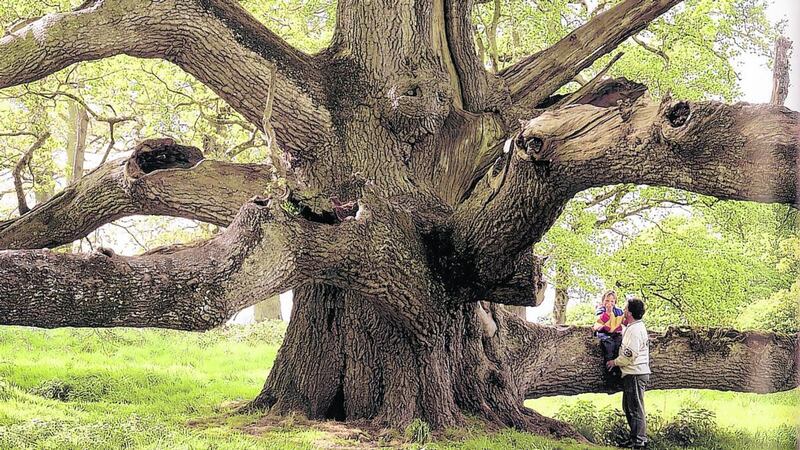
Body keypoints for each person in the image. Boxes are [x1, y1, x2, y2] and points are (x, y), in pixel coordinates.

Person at [606, 298, 650, 449]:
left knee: (635, 408)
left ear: (630, 312)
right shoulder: (633, 327)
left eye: (625, 309)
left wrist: (615, 362)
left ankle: (639, 441)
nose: (623, 311)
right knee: (629, 406)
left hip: (635, 373)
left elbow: (630, 354)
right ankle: (635, 439)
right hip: (633, 373)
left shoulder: (636, 330)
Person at [592, 290, 626, 368]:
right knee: (609, 345)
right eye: (607, 300)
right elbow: (600, 322)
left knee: (619, 344)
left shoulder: (619, 311)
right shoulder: (601, 310)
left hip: (615, 333)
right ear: (603, 301)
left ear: (615, 302)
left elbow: (622, 322)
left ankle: (617, 366)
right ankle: (608, 366)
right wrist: (608, 312)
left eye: (612, 301)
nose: (609, 303)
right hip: (603, 333)